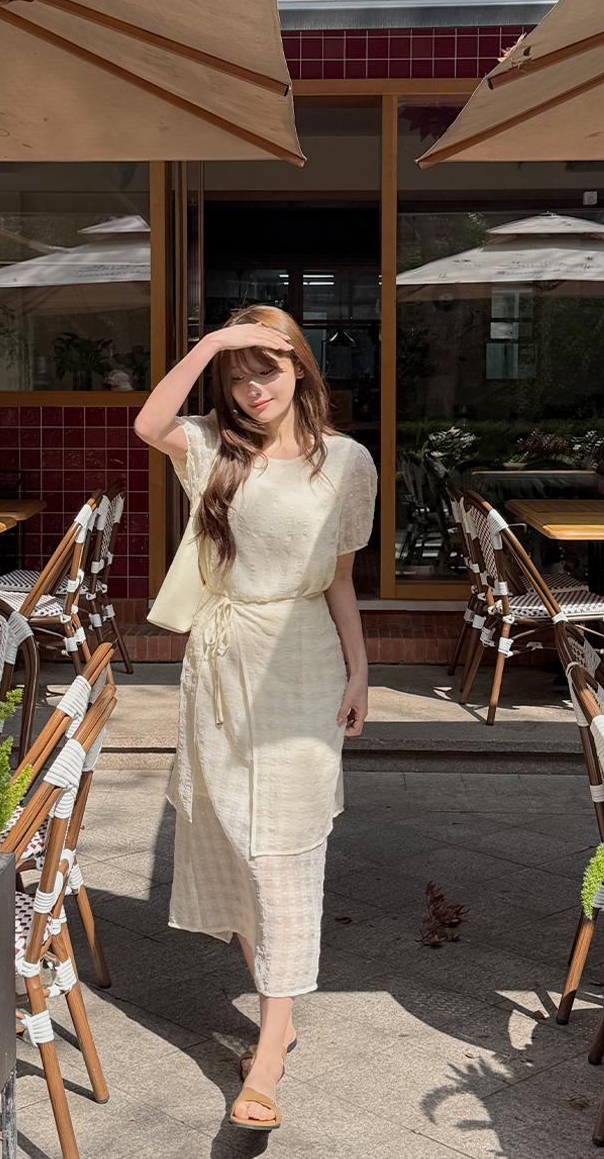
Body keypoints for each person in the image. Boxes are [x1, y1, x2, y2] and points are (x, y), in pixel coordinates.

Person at [134, 305, 377, 1131]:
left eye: (266, 369)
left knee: (283, 851)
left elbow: (339, 579)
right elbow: (149, 424)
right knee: (234, 838)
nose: (252, 389)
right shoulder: (212, 449)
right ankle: (280, 1008)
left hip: (302, 663)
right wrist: (211, 342)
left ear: (300, 367)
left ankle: (268, 1051)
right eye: (237, 377)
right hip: (219, 661)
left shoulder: (346, 462)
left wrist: (361, 668)